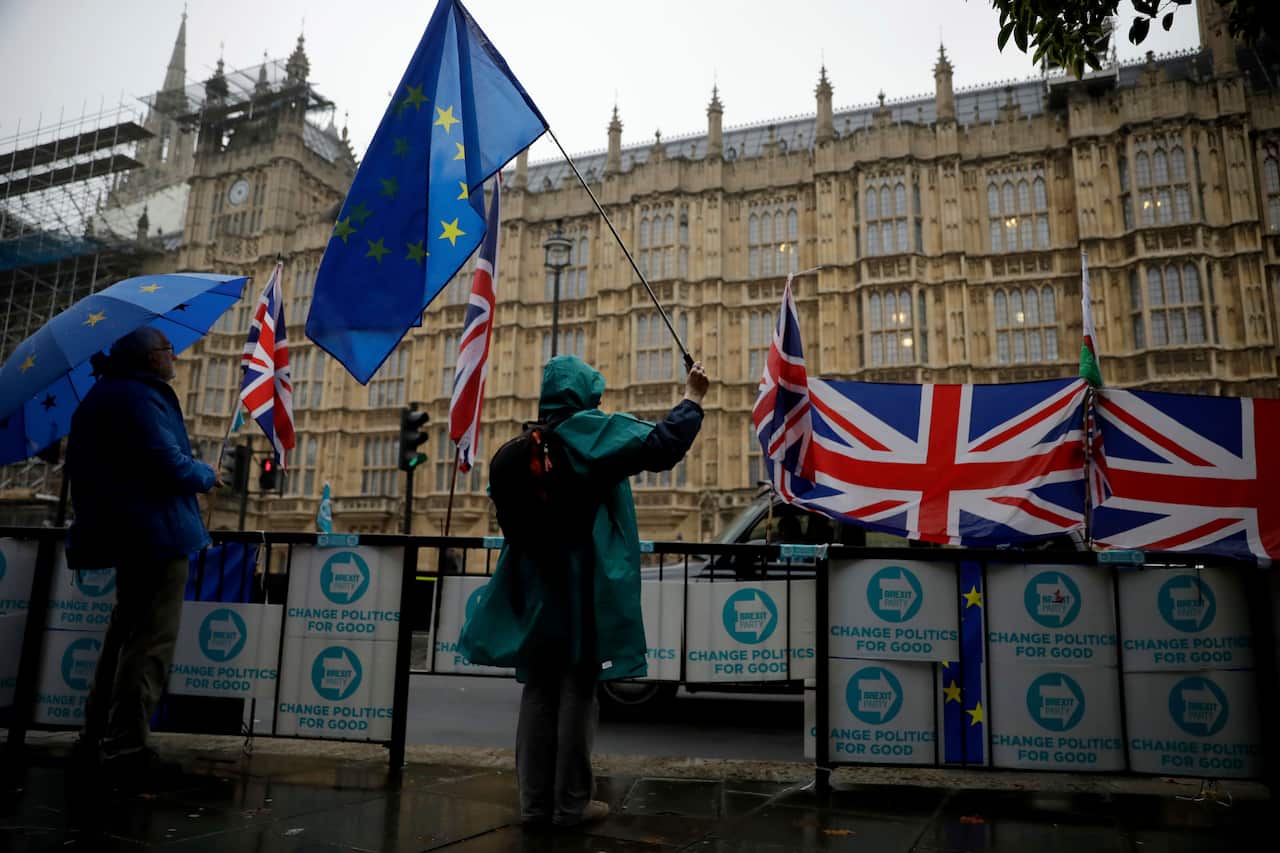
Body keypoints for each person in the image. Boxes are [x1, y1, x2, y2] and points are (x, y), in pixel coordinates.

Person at [460, 354, 709, 827]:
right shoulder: (589, 431)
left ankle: (534, 805)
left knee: (538, 690)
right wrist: (692, 397)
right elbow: (662, 445)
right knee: (577, 688)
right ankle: (572, 802)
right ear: (584, 394)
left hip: (534, 580)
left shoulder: (533, 440)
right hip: (577, 580)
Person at [65, 326, 220, 777]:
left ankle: (96, 734)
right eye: (170, 351)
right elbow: (166, 462)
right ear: (153, 357)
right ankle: (127, 747)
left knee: (122, 637)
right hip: (156, 534)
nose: (175, 357)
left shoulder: (103, 395)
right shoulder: (139, 397)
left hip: (128, 533)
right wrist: (206, 474)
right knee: (149, 643)